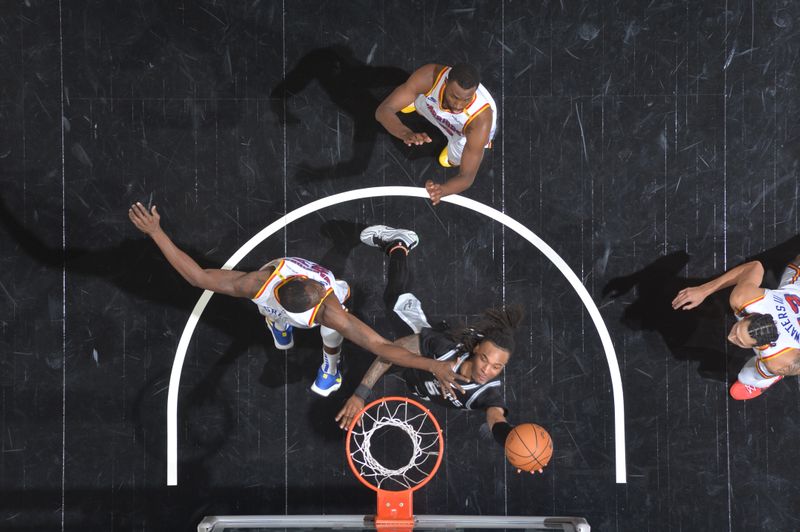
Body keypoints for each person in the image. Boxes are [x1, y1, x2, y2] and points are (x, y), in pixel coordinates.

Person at [127, 202, 467, 397]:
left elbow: (197, 276)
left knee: (302, 320)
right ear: (307, 291)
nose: (323, 291)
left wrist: (157, 233)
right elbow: (381, 347)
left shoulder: (291, 295)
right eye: (321, 293)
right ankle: (304, 346)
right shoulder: (295, 296)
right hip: (289, 308)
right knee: (314, 313)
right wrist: (156, 232)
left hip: (290, 304)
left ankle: (303, 346)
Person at [335, 225, 541, 474]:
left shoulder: (487, 394)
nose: (487, 370)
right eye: (485, 360)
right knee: (394, 299)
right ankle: (398, 244)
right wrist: (361, 393)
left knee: (358, 361)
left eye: (497, 367)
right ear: (476, 349)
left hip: (414, 376)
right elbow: (391, 350)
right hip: (418, 342)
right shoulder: (445, 350)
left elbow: (496, 420)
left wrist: (512, 443)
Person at [672, 258, 800, 400]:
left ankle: (767, 379)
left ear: (760, 345)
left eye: (739, 340)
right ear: (749, 316)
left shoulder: (777, 360)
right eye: (736, 331)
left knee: (747, 378)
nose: (730, 337)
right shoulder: (745, 298)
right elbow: (754, 266)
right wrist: (703, 290)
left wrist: (782, 370)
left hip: (786, 353)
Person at [375, 63, 497, 205]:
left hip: (461, 134)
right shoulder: (430, 77)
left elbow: (467, 176)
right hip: (433, 104)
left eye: (466, 99)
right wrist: (404, 132)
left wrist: (443, 190)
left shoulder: (481, 121)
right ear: (446, 82)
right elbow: (383, 111)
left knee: (453, 160)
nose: (458, 105)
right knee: (421, 100)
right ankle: (415, 103)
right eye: (454, 96)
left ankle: (451, 152)